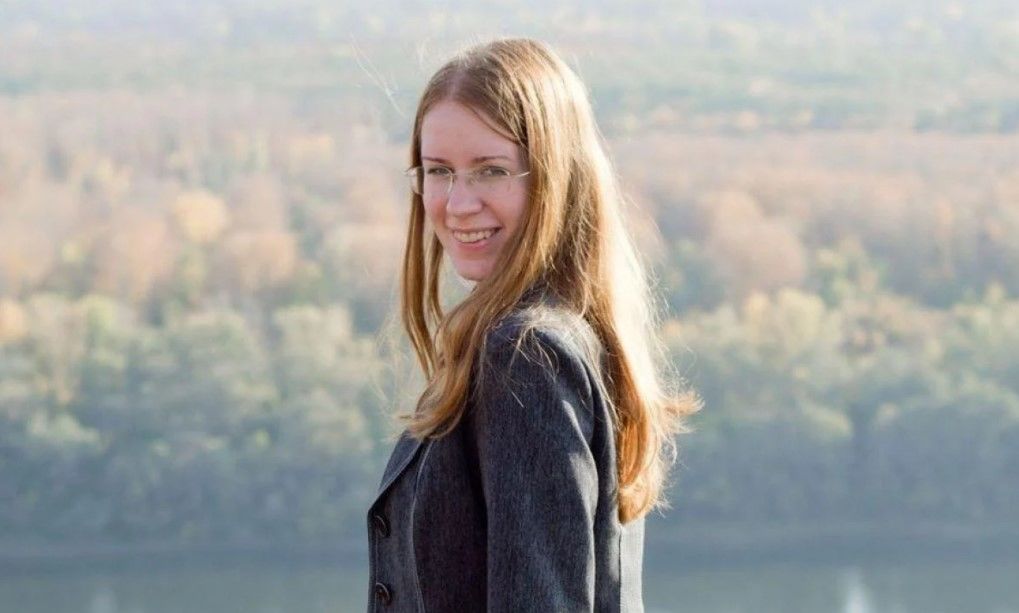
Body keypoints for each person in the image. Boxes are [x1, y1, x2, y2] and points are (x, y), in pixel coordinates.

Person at [365, 37, 701, 613]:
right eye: (439, 171)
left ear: (555, 179)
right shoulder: (570, 333)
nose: (457, 203)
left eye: (491, 171)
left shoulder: (526, 355)